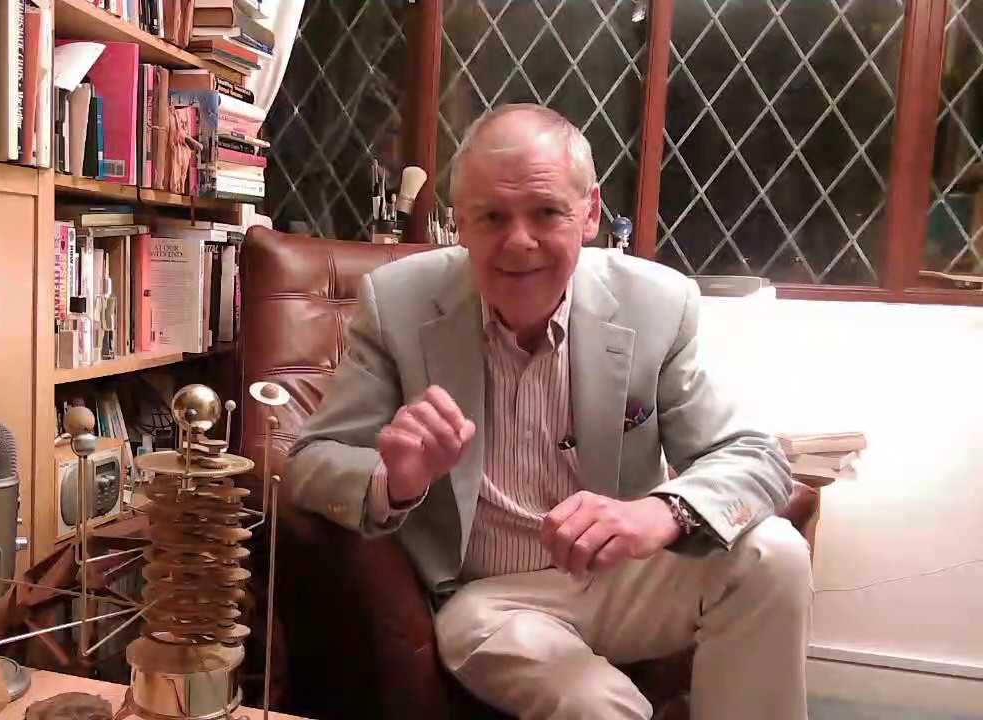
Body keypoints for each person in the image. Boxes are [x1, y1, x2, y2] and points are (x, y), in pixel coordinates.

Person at [283, 104, 812, 720]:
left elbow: (755, 456)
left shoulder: (658, 304)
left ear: (589, 213)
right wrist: (393, 481)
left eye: (546, 212)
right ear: (460, 223)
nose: (519, 242)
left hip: (625, 577)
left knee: (774, 553)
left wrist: (660, 512)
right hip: (488, 601)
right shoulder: (398, 303)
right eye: (492, 217)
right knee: (591, 704)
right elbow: (309, 462)